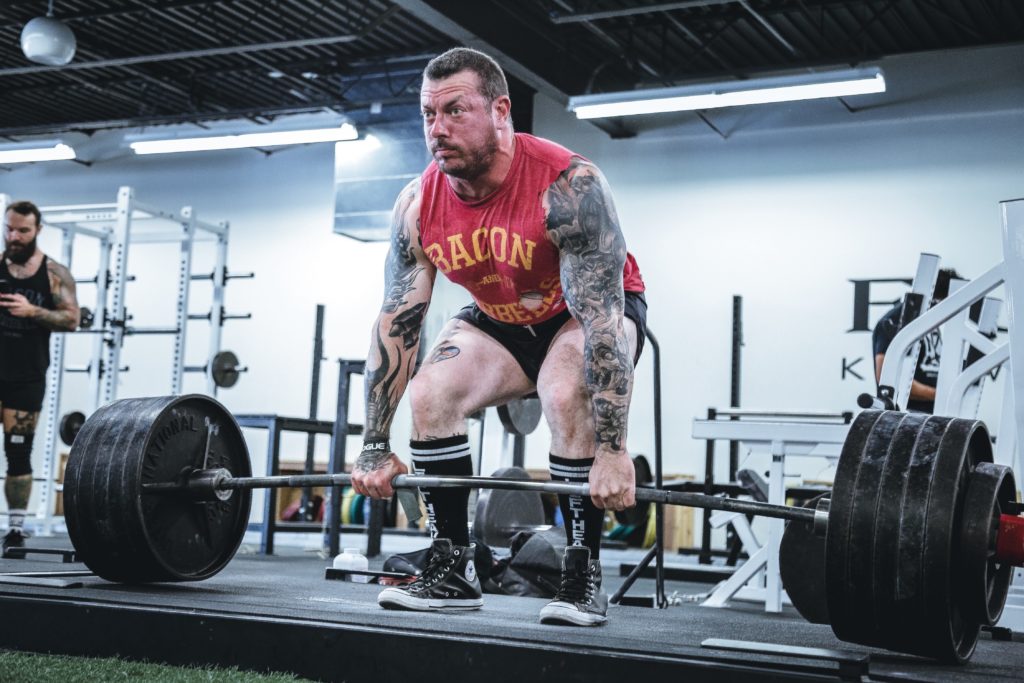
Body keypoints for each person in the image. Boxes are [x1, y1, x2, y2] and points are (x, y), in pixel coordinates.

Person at [350, 47, 647, 627]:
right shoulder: (418, 205)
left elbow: (602, 320)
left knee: (564, 388)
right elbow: (397, 322)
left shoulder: (569, 187)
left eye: (455, 111)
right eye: (428, 115)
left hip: (584, 313)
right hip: (500, 316)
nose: (438, 130)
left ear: (501, 111)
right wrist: (373, 442)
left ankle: (581, 572)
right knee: (431, 392)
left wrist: (613, 451)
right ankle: (453, 567)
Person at [0, 201, 79, 554]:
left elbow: (71, 319)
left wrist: (32, 311)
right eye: (9, 229)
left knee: (18, 453)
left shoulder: (54, 274)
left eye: (22, 231)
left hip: (27, 375)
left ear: (38, 230)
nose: (14, 237)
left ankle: (16, 529)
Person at [872, 268, 959, 413]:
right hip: (907, 415)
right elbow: (888, 382)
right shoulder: (894, 322)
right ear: (939, 300)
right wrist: (941, 396)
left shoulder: (931, 322)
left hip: (935, 413)